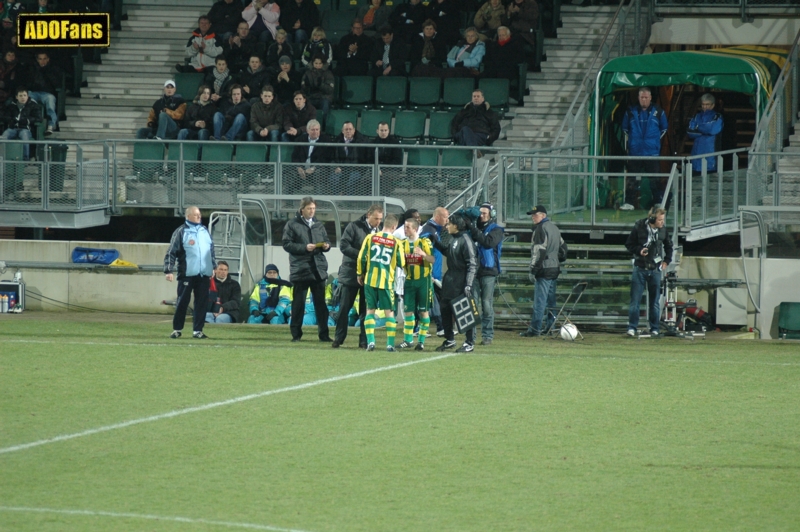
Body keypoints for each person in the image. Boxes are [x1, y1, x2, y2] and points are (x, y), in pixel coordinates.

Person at [332, 204, 384, 349]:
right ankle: (338, 338)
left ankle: (364, 340)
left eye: (380, 219)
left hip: (369, 275)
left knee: (366, 310)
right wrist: (361, 255)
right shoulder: (353, 226)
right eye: (376, 218)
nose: (378, 222)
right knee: (344, 308)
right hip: (350, 273)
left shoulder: (379, 232)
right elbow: (344, 245)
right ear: (368, 215)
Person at [282, 196, 333, 342]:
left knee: (321, 305)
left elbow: (327, 240)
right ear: (302, 209)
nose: (312, 211)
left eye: (314, 208)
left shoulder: (318, 224)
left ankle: (324, 334)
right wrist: (304, 248)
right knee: (299, 304)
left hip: (318, 270)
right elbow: (286, 244)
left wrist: (326, 246)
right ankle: (296, 335)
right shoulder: (292, 224)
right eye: (309, 208)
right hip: (301, 269)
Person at [164, 206, 217, 340]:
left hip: (203, 274)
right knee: (182, 302)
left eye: (199, 215)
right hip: (187, 273)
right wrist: (168, 270)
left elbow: (211, 251)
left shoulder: (204, 231)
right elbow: (171, 251)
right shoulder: (181, 231)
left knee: (201, 303)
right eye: (195, 215)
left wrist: (213, 267)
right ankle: (177, 329)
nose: (199, 217)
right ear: (188, 217)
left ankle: (197, 331)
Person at [357, 214, 405, 351]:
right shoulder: (396, 243)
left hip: (370, 280)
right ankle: (389, 344)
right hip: (386, 282)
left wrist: (360, 273)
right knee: (389, 313)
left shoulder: (370, 238)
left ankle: (371, 342)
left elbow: (361, 258)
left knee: (369, 311)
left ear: (383, 224)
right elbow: (401, 262)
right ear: (394, 226)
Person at [430, 213, 477, 352]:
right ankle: (449, 339)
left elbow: (473, 264)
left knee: (465, 311)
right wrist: (435, 242)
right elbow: (448, 252)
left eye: (449, 224)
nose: (447, 226)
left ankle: (469, 343)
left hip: (461, 279)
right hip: (450, 278)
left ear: (456, 226)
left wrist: (468, 284)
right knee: (445, 309)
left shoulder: (466, 240)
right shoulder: (454, 239)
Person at [624, 206, 673, 337]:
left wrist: (666, 261)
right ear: (652, 219)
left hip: (655, 269)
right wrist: (639, 250)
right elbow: (629, 244)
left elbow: (669, 246)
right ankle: (632, 327)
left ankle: (654, 328)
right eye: (660, 220)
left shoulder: (663, 230)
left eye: (663, 219)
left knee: (654, 302)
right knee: (635, 301)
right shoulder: (639, 227)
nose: (662, 222)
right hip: (640, 268)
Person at [520, 205, 566, 337]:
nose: (533, 217)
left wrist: (533, 270)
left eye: (536, 215)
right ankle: (550, 326)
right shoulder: (555, 228)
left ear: (543, 216)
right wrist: (558, 260)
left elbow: (539, 251)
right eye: (532, 215)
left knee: (540, 301)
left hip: (544, 269)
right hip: (554, 268)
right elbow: (564, 247)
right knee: (551, 301)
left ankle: (535, 329)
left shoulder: (540, 229)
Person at [621, 87, 669, 209]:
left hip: (651, 152)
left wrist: (653, 142)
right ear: (638, 98)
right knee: (632, 178)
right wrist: (634, 141)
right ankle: (629, 202)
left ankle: (658, 202)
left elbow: (664, 128)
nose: (644, 100)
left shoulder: (658, 111)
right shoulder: (630, 111)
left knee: (655, 178)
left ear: (650, 98)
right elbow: (625, 129)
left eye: (646, 97)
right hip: (635, 151)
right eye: (642, 97)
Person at [465, 202, 503, 345]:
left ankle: (487, 335)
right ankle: (471, 336)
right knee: (472, 304)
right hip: (474, 271)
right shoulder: (473, 229)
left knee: (487, 305)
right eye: (480, 213)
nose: (482, 216)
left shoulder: (497, 230)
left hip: (488, 271)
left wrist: (472, 228)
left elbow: (487, 242)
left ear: (491, 214)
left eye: (485, 213)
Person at [397, 216, 435, 350]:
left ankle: (421, 341)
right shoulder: (402, 244)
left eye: (407, 227)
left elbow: (432, 260)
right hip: (409, 282)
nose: (405, 229)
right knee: (408, 312)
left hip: (423, 281)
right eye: (404, 227)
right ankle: (408, 340)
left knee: (423, 312)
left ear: (415, 229)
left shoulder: (424, 242)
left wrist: (423, 254)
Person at [419, 206, 448, 335]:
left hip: (434, 273)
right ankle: (440, 327)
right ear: (437, 217)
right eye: (445, 217)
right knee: (432, 300)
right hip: (429, 273)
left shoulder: (434, 229)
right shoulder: (428, 231)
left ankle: (439, 327)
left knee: (434, 299)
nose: (447, 220)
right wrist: (429, 271)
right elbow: (424, 252)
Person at [23, 51, 60, 135]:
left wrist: (46, 72)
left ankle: (51, 126)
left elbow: (57, 84)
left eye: (44, 59)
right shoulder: (32, 69)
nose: (42, 61)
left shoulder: (53, 69)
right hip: (34, 92)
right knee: (26, 98)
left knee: (50, 102)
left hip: (47, 93)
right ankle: (28, 124)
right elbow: (27, 83)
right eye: (40, 59)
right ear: (37, 60)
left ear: (48, 59)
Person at [290, 118, 331, 192]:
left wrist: (313, 168)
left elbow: (325, 158)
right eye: (313, 130)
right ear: (307, 130)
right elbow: (294, 156)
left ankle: (318, 201)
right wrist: (299, 167)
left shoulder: (325, 140)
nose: (315, 132)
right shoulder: (300, 139)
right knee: (291, 174)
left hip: (317, 169)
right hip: (302, 169)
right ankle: (288, 202)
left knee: (319, 174)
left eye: (317, 129)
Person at [1, 87, 41, 161]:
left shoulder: (32, 105)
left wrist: (27, 120)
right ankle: (2, 159)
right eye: (20, 95)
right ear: (16, 97)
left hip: (25, 129)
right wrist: (11, 120)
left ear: (27, 96)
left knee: (24, 137)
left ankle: (25, 159)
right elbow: (4, 116)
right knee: (4, 137)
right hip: (12, 128)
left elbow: (39, 118)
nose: (23, 97)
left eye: (24, 95)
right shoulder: (11, 105)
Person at [688, 93, 723, 174]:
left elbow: (712, 129)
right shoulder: (697, 116)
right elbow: (690, 132)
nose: (704, 107)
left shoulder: (717, 116)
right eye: (703, 104)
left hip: (711, 158)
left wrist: (698, 127)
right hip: (696, 158)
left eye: (707, 104)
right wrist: (705, 130)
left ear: (713, 105)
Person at [332, 120, 369, 193]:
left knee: (351, 181)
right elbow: (333, 157)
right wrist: (335, 166)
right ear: (342, 131)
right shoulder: (337, 141)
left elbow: (364, 159)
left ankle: (348, 202)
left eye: (350, 129)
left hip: (356, 170)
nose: (348, 131)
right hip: (340, 169)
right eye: (346, 129)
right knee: (333, 179)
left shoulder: (361, 141)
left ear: (354, 130)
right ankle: (335, 201)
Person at [300, 55, 334, 128]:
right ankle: (305, 128)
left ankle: (324, 128)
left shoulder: (328, 73)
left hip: (323, 97)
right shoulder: (307, 73)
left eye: (320, 63)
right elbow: (303, 89)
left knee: (325, 104)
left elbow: (330, 89)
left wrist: (321, 85)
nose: (318, 65)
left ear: (323, 64)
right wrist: (306, 87)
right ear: (312, 63)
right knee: (303, 104)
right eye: (316, 63)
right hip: (311, 97)